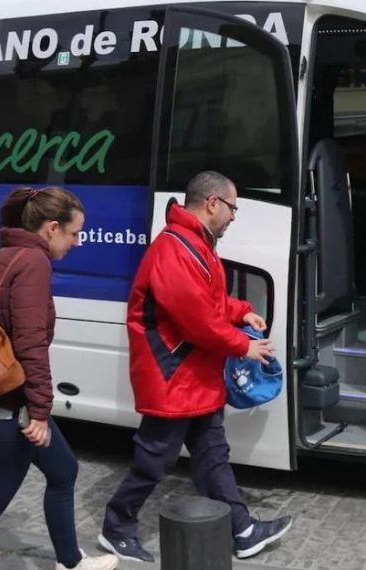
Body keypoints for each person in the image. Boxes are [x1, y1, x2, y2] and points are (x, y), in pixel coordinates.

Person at [98, 171, 292, 562]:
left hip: (191, 376)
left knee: (211, 455)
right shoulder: (175, 249)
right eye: (234, 208)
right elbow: (197, 320)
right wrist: (243, 346)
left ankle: (243, 530)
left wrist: (242, 312)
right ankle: (116, 527)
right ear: (213, 203)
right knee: (155, 461)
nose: (235, 217)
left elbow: (210, 303)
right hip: (173, 376)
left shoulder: (193, 244)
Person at [0, 187, 118, 570]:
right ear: (52, 228)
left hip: (2, 394)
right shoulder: (33, 263)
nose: (77, 241)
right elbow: (30, 343)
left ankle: (69, 563)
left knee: (63, 470)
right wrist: (39, 412)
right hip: (14, 407)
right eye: (73, 233)